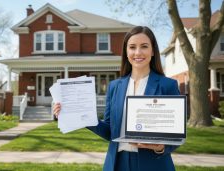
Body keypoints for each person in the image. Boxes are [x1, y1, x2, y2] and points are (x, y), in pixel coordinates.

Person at [53, 26, 180, 171]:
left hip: (154, 164)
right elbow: (110, 132)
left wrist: (161, 147)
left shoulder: (167, 85)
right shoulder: (114, 86)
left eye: (144, 46)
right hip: (117, 163)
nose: (138, 52)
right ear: (126, 52)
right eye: (132, 47)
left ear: (152, 51)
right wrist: (78, 114)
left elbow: (176, 135)